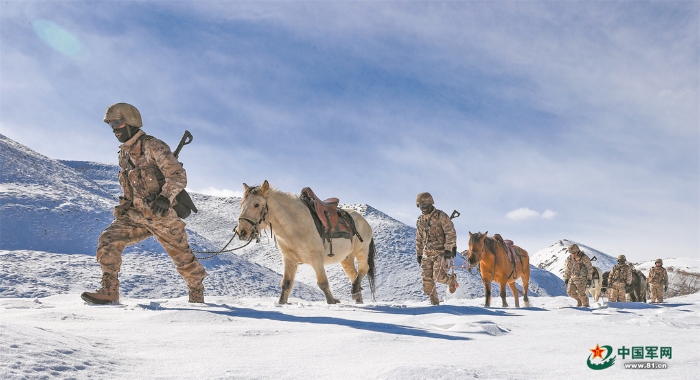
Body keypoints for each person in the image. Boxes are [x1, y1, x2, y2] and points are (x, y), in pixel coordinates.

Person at [81, 103, 207, 304]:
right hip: (135, 215)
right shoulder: (123, 155)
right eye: (111, 125)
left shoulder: (153, 146)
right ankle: (109, 290)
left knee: (183, 258)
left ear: (131, 122)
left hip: (161, 215)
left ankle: (196, 292)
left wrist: (165, 198)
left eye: (118, 123)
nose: (114, 130)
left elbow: (177, 175)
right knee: (108, 239)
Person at [415, 192, 457, 305]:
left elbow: (450, 232)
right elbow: (419, 238)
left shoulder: (441, 216)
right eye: (420, 206)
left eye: (425, 205)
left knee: (438, 277)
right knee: (427, 283)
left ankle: (451, 280)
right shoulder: (420, 220)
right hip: (426, 254)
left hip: (441, 252)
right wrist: (419, 254)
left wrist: (449, 250)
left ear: (431, 203)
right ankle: (435, 305)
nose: (423, 208)